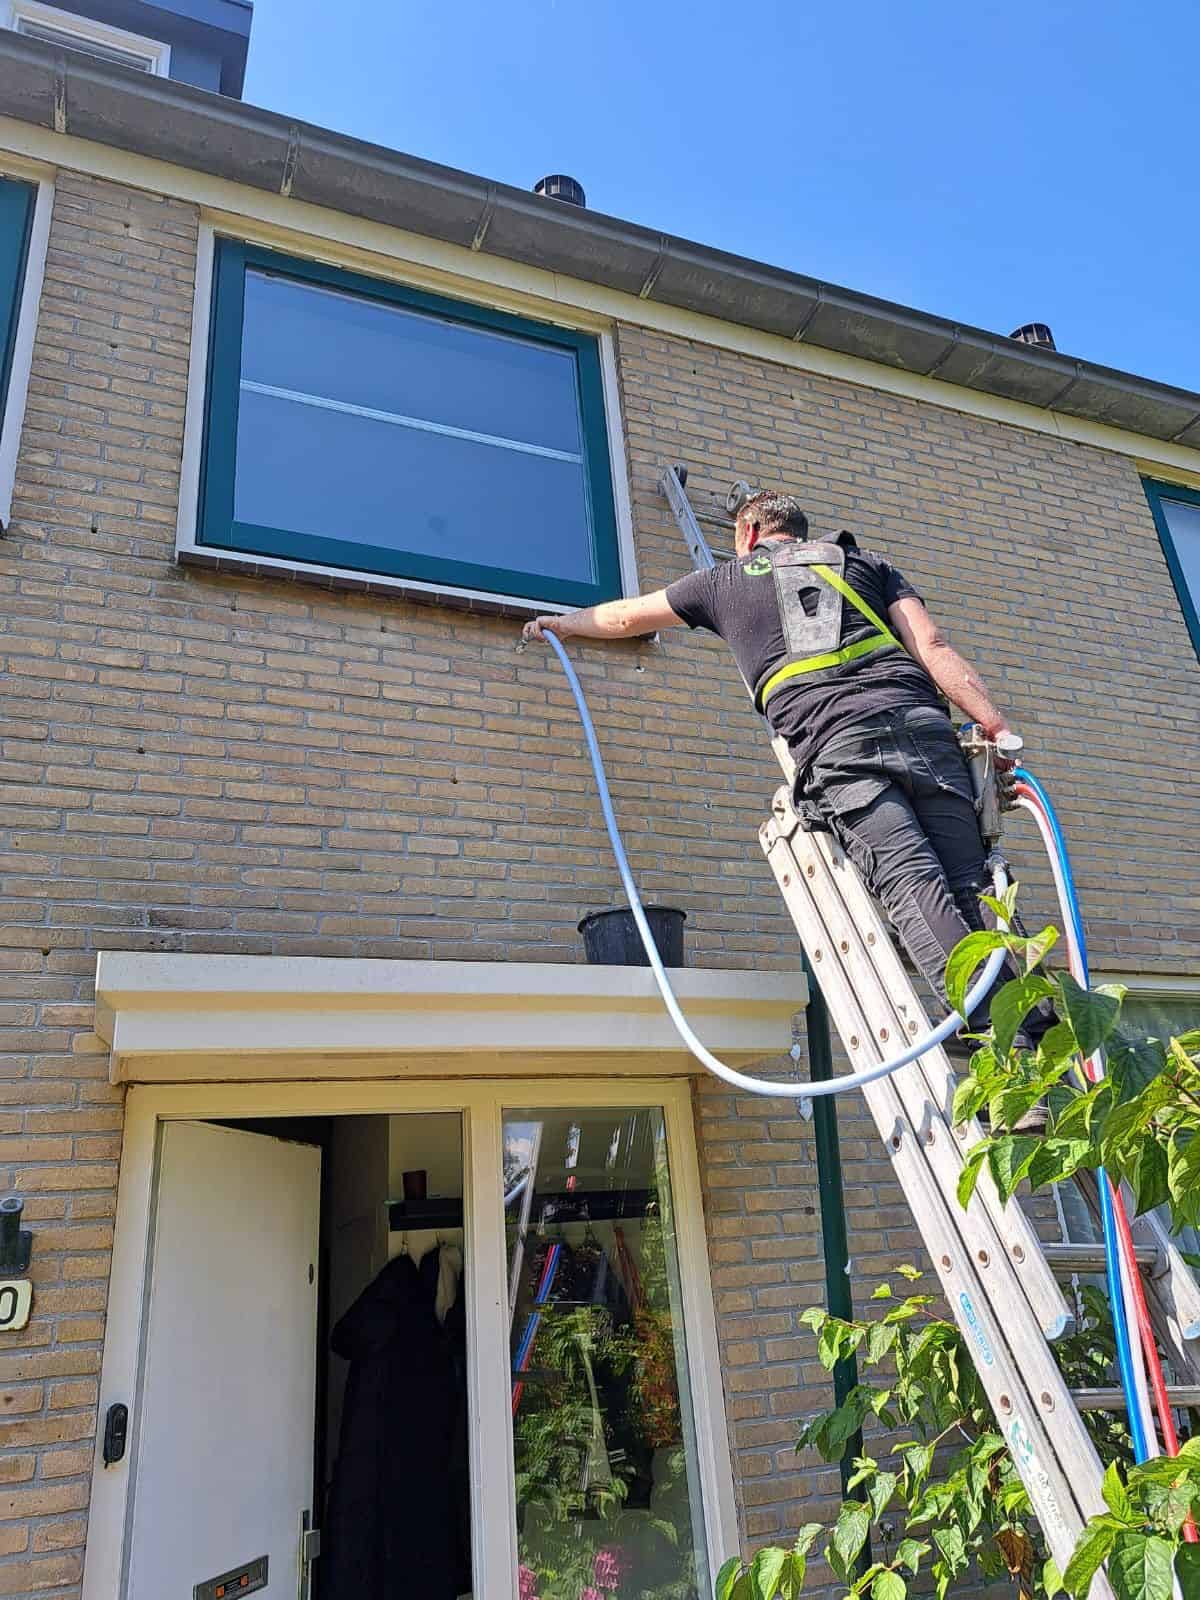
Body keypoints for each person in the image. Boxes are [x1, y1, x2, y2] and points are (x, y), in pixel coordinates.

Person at [522, 490, 1051, 1061]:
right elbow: (931, 645)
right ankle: (1044, 1039)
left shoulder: (722, 581)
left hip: (839, 746)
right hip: (924, 731)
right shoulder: (867, 563)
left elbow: (623, 616)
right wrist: (996, 729)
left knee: (910, 882)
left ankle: (1009, 1056)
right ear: (799, 532)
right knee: (972, 883)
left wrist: (562, 624)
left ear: (748, 534)